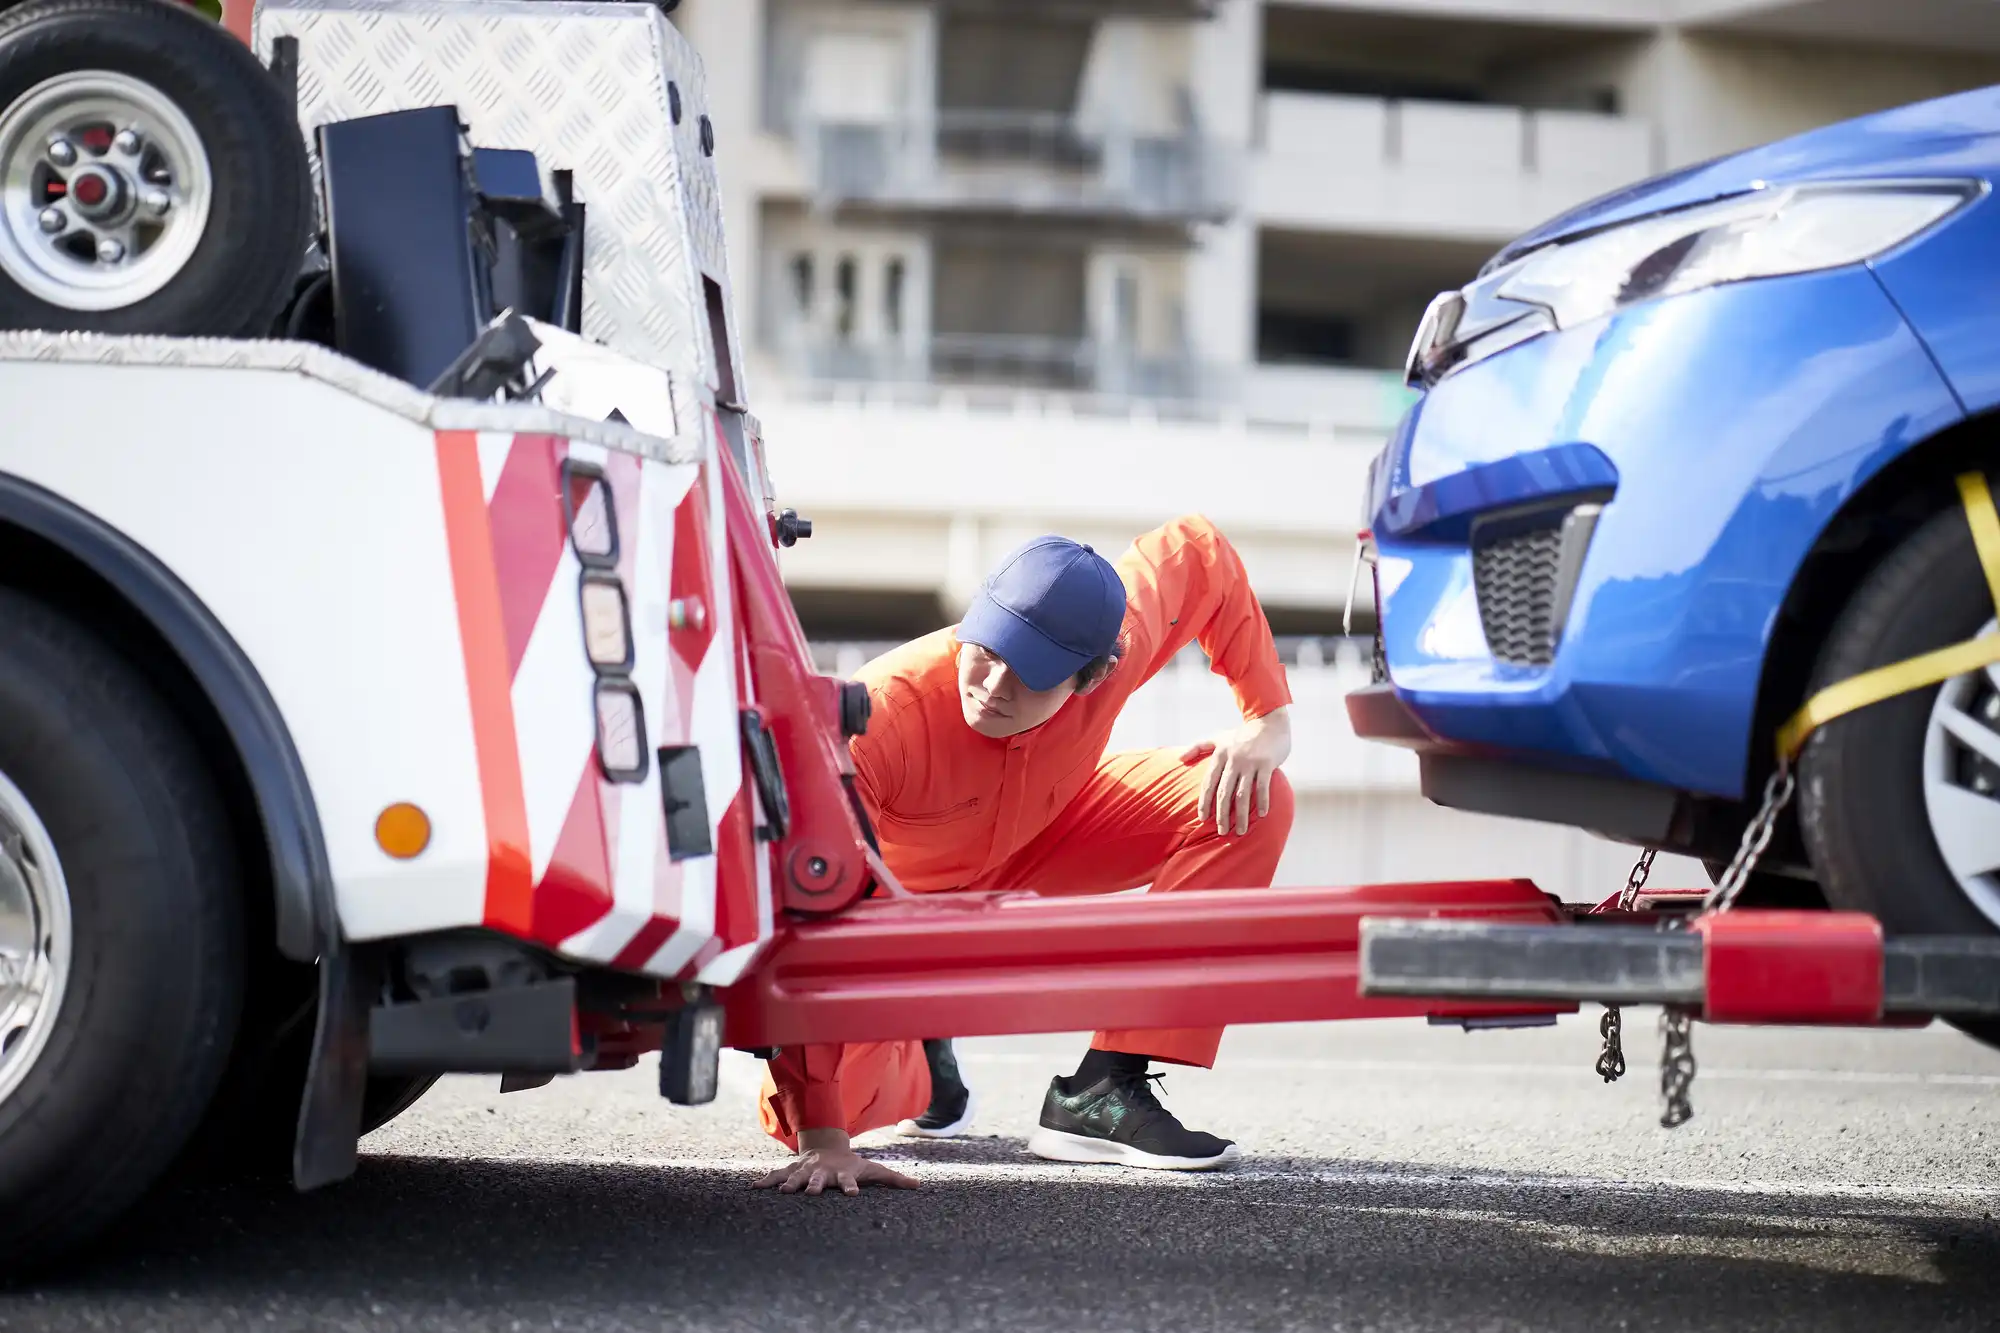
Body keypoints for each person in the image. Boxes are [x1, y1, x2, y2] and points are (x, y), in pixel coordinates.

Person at [752, 514, 1296, 1197]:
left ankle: (1104, 1090)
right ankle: (921, 1042)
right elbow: (815, 909)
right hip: (904, 905)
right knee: (806, 1110)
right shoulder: (879, 715)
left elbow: (1200, 551)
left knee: (1254, 795)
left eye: (1031, 674)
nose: (991, 684)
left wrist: (1267, 720)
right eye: (987, 648)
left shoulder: (1118, 634)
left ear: (1094, 676)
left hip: (1052, 831)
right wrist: (825, 1137)